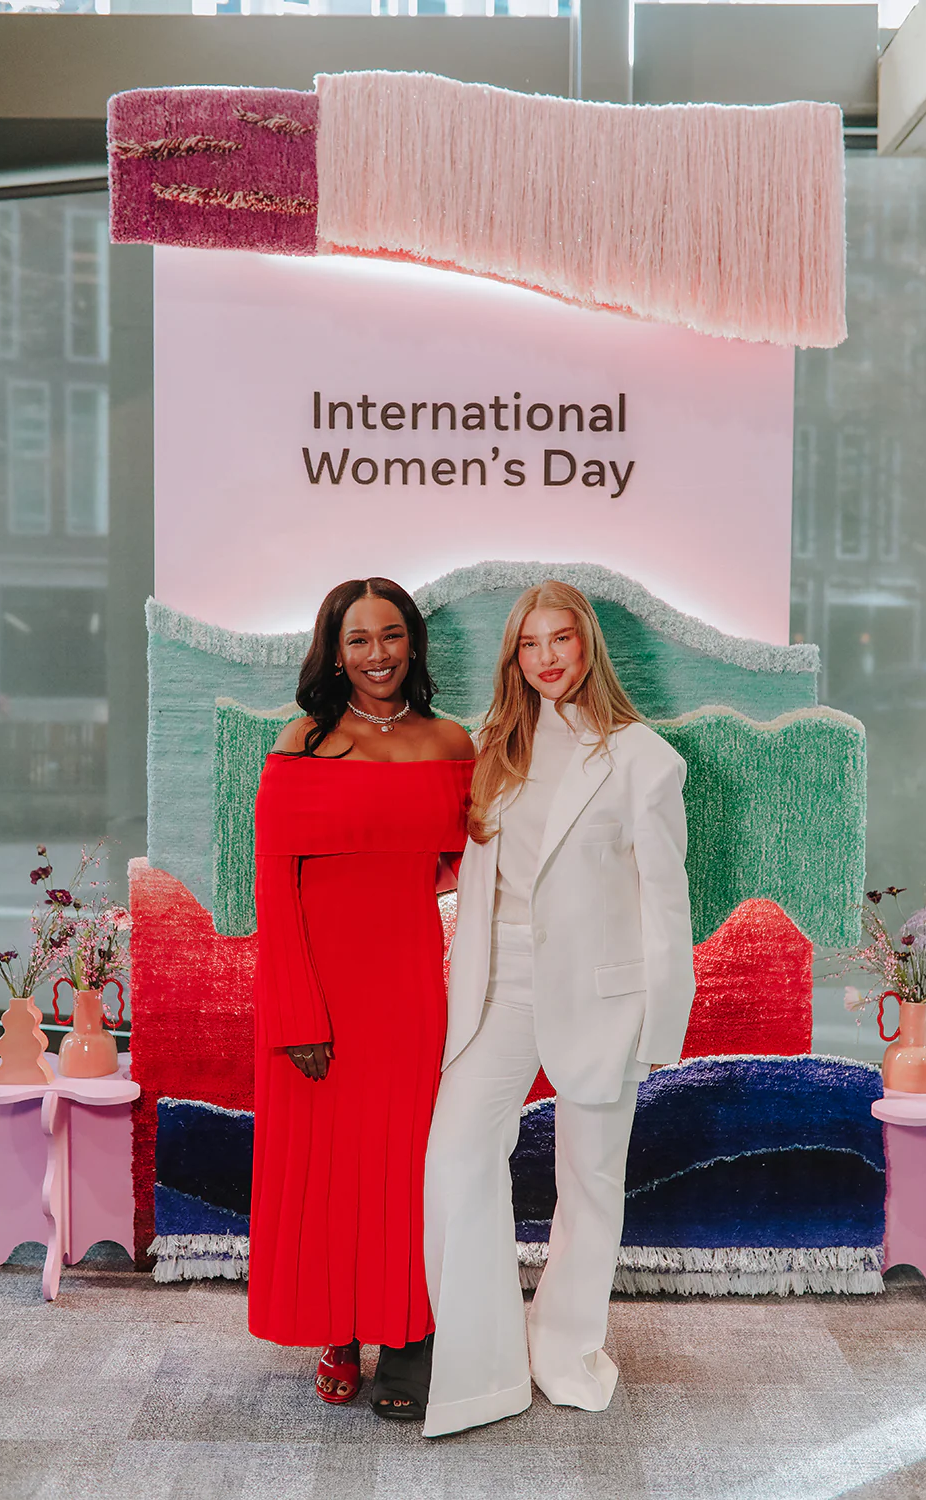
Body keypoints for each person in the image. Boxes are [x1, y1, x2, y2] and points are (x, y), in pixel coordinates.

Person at [422, 579, 695, 1437]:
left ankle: (566, 1345)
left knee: (589, 1183)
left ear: (587, 647)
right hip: (499, 988)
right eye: (529, 644)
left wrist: (662, 1024)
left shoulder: (643, 758)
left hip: (602, 998)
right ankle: (484, 1352)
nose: (546, 658)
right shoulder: (492, 749)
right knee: (457, 1155)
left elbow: (665, 903)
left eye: (561, 641)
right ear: (514, 656)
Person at [248, 577, 474, 1421]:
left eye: (391, 636)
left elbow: (470, 860)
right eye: (358, 640)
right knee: (328, 1169)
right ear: (333, 652)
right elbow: (274, 884)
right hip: (318, 987)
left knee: (408, 1166)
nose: (376, 655)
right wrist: (297, 1012)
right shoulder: (303, 742)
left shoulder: (452, 743)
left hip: (411, 985)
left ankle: (407, 1339)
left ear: (413, 643)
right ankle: (340, 1330)